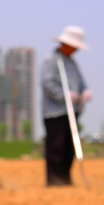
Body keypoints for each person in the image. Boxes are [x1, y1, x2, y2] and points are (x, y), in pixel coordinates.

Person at [41, 25, 91, 186]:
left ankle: (65, 177)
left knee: (70, 147)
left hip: (72, 112)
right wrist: (63, 96)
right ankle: (54, 179)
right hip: (55, 113)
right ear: (66, 44)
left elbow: (81, 82)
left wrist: (84, 91)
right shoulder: (52, 60)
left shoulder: (72, 63)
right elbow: (46, 83)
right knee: (56, 147)